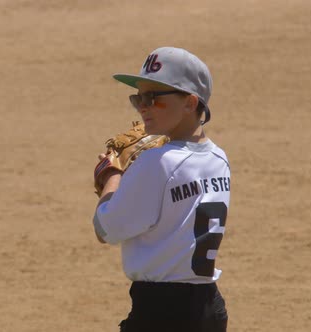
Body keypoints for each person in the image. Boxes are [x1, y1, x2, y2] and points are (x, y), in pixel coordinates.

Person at [92, 47, 231, 332]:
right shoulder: (219, 159)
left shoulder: (156, 161)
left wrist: (111, 176)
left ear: (190, 102)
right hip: (209, 309)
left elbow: (106, 229)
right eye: (138, 98)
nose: (143, 106)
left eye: (153, 98)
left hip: (161, 312)